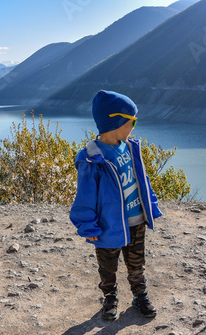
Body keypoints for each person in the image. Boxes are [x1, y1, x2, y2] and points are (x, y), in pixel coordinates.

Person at [69, 90, 163, 320]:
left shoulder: (129, 147)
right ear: (117, 121)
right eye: (132, 121)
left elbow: (141, 179)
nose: (134, 126)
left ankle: (139, 294)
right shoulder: (93, 159)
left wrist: (150, 203)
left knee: (136, 263)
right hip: (108, 225)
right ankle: (110, 298)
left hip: (136, 220)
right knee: (107, 267)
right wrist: (87, 226)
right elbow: (85, 196)